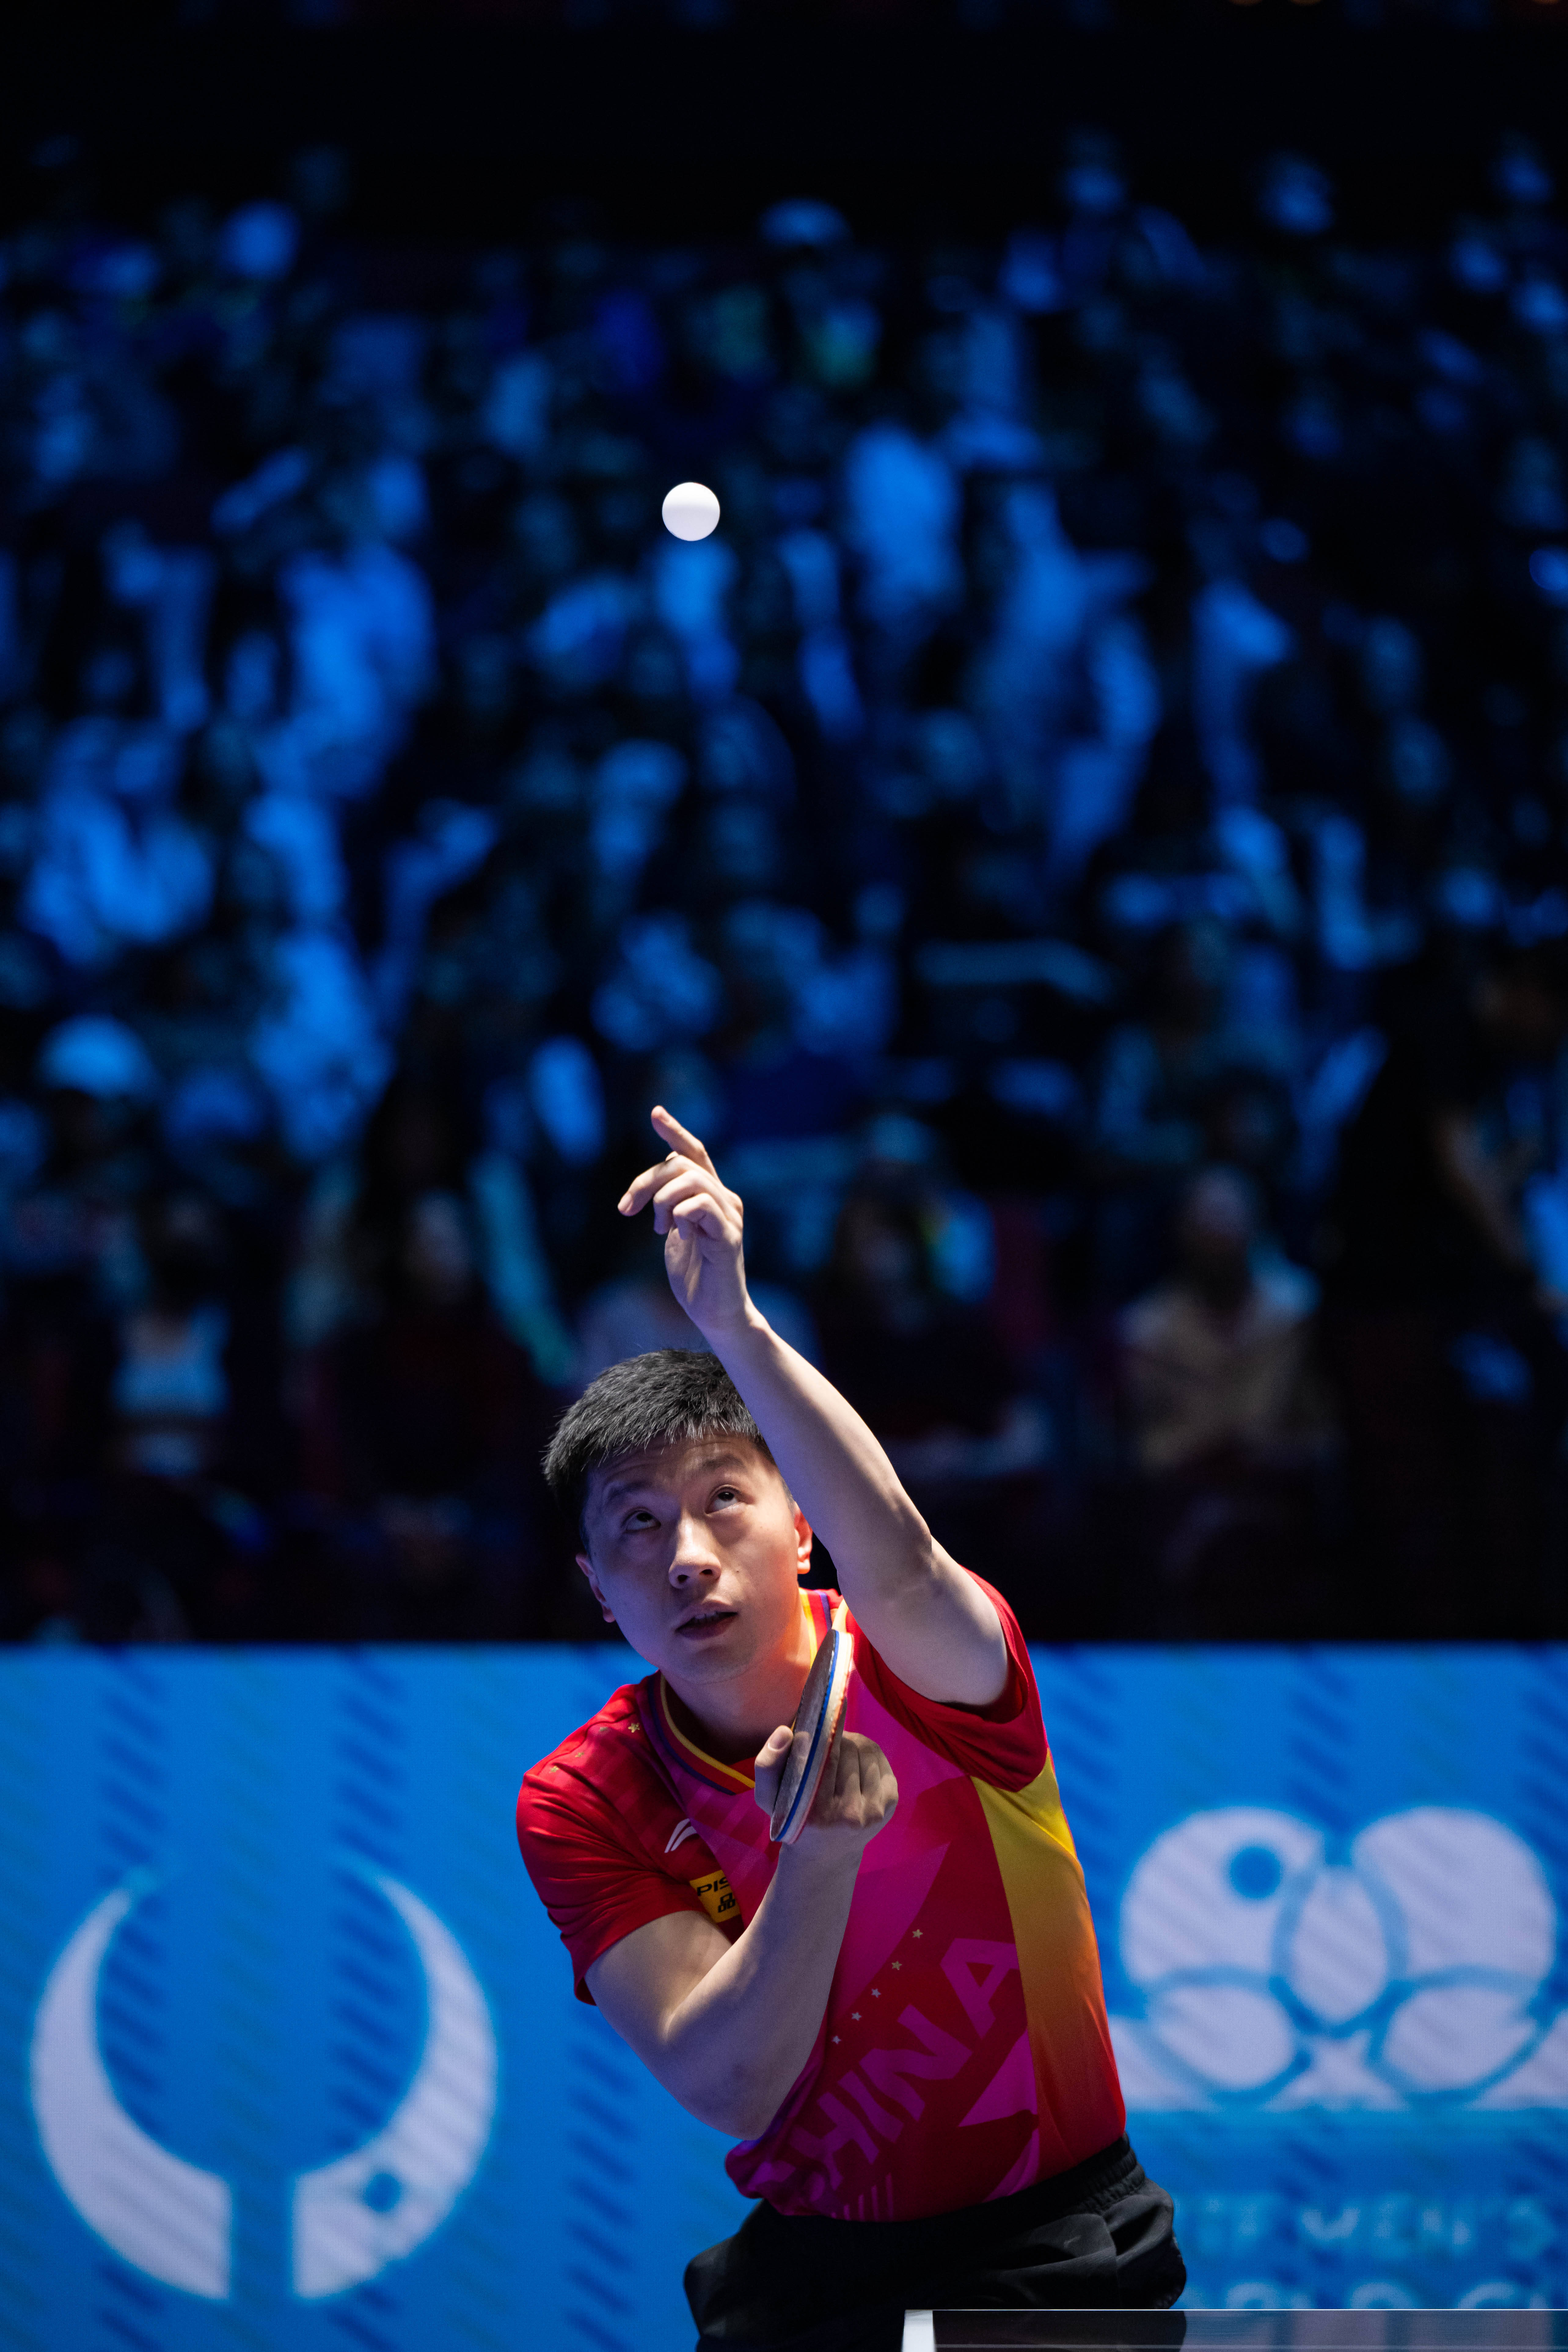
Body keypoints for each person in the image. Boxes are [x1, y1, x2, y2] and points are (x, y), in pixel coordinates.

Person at [515, 1106, 1184, 2352]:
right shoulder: (583, 1794)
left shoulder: (933, 1656)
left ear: (805, 1525)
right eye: (639, 1524)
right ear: (598, 1589)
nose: (688, 1555)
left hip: (1052, 2243)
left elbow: (908, 1560)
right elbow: (731, 2084)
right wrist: (817, 1855)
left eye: (726, 1498)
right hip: (810, 2275)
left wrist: (735, 1322)